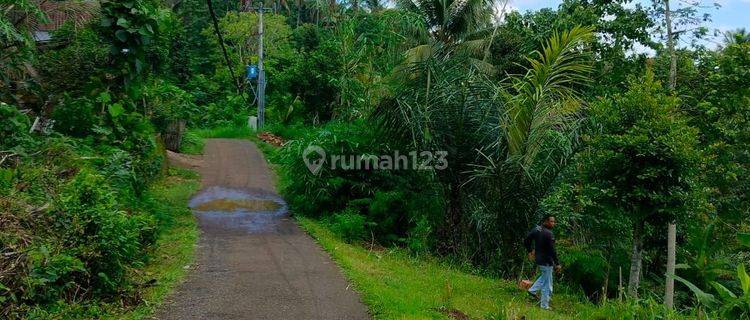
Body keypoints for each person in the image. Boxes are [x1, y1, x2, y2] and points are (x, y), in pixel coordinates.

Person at [523, 215, 561, 310]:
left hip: (539, 260)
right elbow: (553, 250)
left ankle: (532, 290)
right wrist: (558, 263)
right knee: (547, 284)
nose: (553, 224)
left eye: (554, 222)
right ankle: (544, 306)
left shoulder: (537, 229)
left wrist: (530, 250)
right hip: (547, 261)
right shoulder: (549, 234)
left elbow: (526, 239)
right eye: (551, 221)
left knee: (545, 277)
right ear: (545, 221)